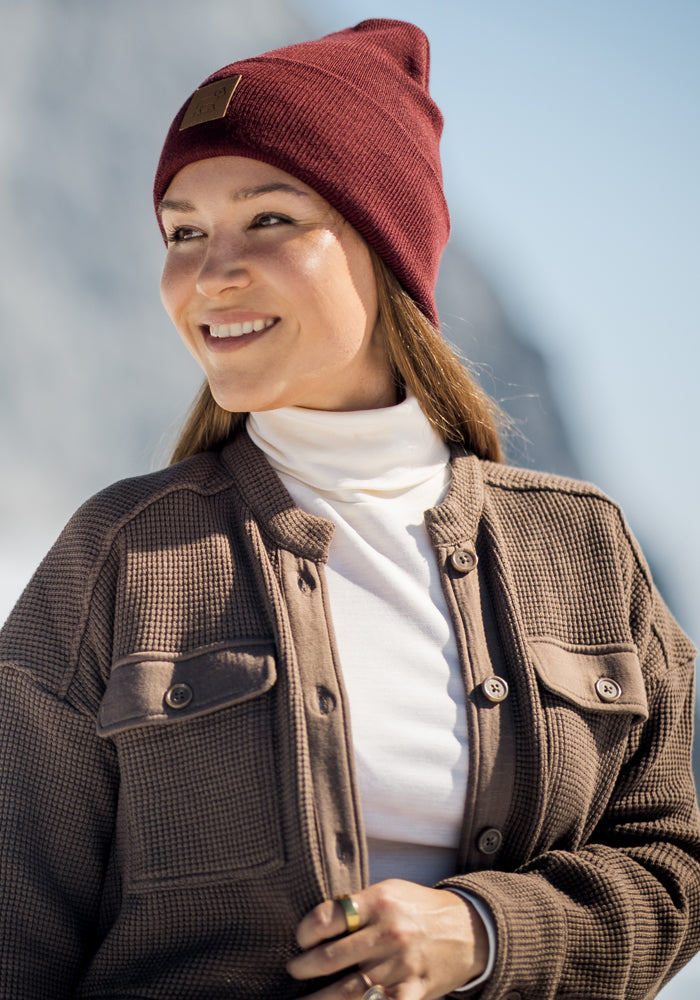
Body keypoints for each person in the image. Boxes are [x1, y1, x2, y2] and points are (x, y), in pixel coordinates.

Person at [0, 17, 698, 1000]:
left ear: (384, 240)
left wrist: (486, 931)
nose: (209, 272)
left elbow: (671, 863)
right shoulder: (117, 558)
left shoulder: (582, 549)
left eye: (270, 219)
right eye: (183, 231)